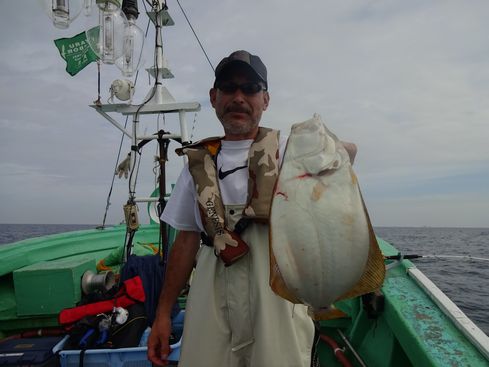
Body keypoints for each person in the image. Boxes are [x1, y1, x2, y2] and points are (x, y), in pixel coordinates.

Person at [147, 50, 356, 367]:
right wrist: (163, 314)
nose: (239, 97)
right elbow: (186, 241)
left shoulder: (291, 151)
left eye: (251, 89)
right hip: (211, 292)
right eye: (229, 88)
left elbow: (349, 154)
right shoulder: (197, 163)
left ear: (266, 99)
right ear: (214, 97)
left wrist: (327, 153)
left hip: (275, 294)